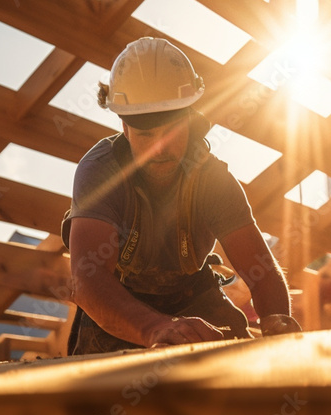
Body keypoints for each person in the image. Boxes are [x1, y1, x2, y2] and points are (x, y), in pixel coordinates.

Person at [62, 37, 301, 355]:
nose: (160, 147)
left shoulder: (213, 180)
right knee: (96, 394)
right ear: (124, 124)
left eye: (172, 131)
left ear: (189, 119)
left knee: (238, 364)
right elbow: (87, 280)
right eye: (146, 134)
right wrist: (153, 328)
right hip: (119, 301)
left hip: (194, 294)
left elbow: (262, 272)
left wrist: (277, 324)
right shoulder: (100, 171)